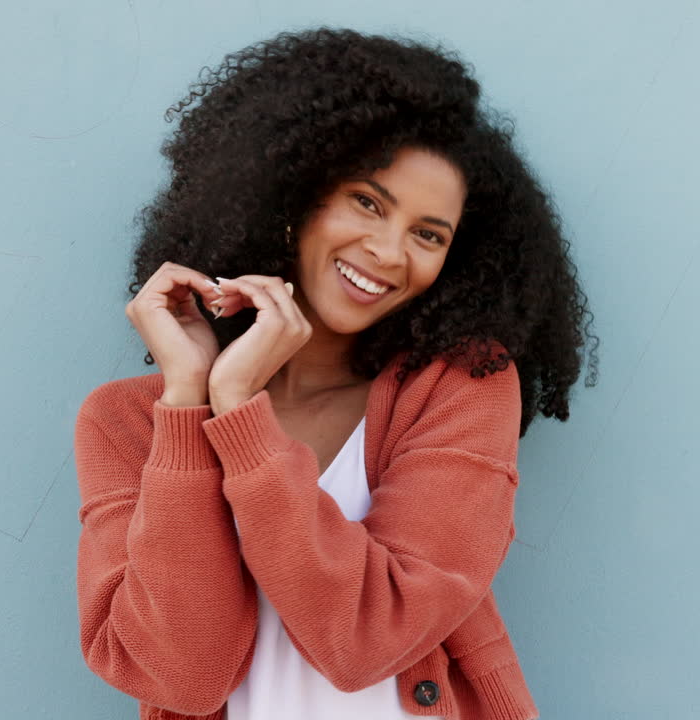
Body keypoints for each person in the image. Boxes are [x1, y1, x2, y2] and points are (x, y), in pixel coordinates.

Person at [73, 27, 597, 720]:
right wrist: (190, 404)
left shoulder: (460, 387)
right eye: (368, 202)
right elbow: (185, 674)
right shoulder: (127, 423)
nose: (387, 250)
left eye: (428, 234)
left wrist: (239, 413)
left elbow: (365, 639)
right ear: (296, 195)